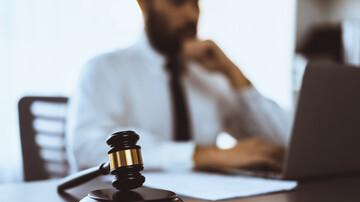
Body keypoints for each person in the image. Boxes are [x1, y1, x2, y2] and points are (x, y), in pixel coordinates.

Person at [66, 0, 290, 172]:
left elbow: (281, 146)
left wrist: (234, 74)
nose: (192, 15)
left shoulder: (209, 76)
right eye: (177, 2)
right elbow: (87, 149)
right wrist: (198, 155)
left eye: (196, 3)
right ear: (143, 4)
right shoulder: (104, 69)